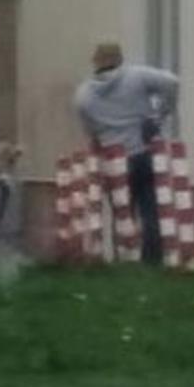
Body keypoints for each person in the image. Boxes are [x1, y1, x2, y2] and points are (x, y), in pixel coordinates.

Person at [73, 42, 178, 266]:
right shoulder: (136, 76)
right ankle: (152, 261)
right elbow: (172, 81)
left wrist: (103, 138)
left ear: (95, 63)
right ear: (119, 58)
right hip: (144, 152)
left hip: (114, 160)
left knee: (122, 212)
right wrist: (161, 115)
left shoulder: (84, 95)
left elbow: (89, 130)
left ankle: (125, 260)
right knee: (150, 208)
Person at [0, 141, 26, 287]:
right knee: (10, 255)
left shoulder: (1, 182)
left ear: (0, 161)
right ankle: (12, 283)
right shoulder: (13, 179)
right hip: (13, 222)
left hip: (3, 225)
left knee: (2, 256)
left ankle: (5, 285)